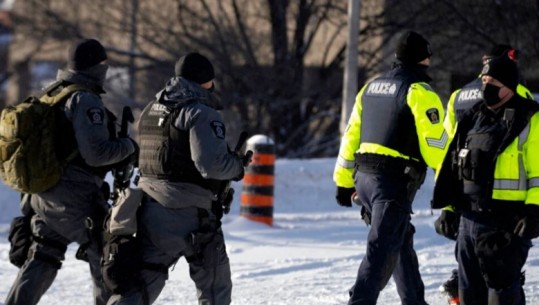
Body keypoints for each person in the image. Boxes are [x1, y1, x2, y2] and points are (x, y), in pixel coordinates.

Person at [107, 52, 250, 305]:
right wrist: (237, 167)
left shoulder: (153, 108)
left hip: (148, 210)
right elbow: (211, 165)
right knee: (215, 286)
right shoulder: (200, 112)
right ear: (204, 81)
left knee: (142, 285)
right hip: (188, 213)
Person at [4, 38, 137, 305]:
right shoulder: (84, 99)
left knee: (43, 255)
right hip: (75, 198)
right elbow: (96, 154)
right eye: (104, 64)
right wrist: (127, 146)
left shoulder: (52, 92)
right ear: (95, 66)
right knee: (106, 258)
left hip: (44, 194)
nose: (106, 69)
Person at [333, 30, 448, 305]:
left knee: (399, 241)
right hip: (392, 183)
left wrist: (342, 181)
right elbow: (436, 149)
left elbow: (351, 136)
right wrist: (451, 184)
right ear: (424, 59)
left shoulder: (370, 88)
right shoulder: (420, 92)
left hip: (363, 179)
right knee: (382, 250)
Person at [432, 52, 539, 304]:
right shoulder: (472, 117)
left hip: (506, 223)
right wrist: (449, 208)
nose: (486, 87)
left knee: (502, 295)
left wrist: (534, 211)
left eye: (493, 83)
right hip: (468, 221)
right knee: (469, 295)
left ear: (510, 87)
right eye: (484, 80)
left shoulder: (530, 119)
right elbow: (452, 166)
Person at [444, 44, 534, 138]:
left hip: (464, 150)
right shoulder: (516, 90)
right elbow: (531, 128)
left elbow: (448, 133)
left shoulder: (457, 95)